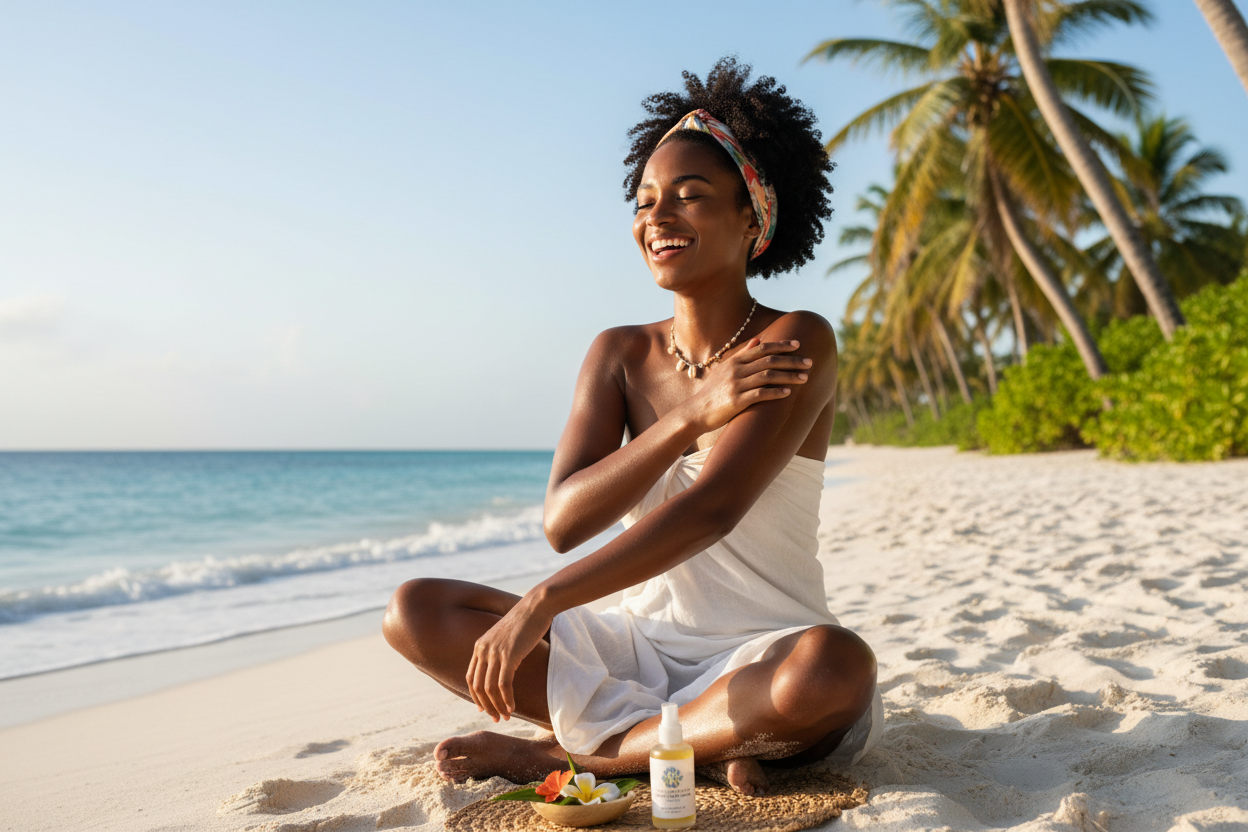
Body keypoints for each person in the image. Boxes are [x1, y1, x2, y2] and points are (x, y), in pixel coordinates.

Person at [383, 57, 881, 797]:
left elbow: (710, 510)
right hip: (631, 648)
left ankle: (581, 757)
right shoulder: (619, 353)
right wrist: (688, 418)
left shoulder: (796, 339)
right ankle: (694, 746)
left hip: (759, 653)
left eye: (689, 196)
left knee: (836, 668)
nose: (658, 217)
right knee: (417, 610)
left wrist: (545, 600)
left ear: (753, 218)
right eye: (645, 201)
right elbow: (563, 520)